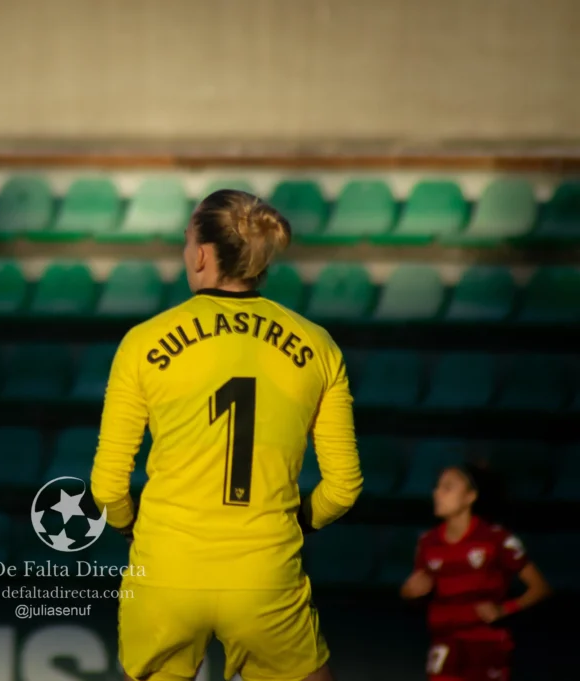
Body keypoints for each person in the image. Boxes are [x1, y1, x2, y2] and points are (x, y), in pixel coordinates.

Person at [90, 189, 363, 681]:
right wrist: (297, 522)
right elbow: (343, 489)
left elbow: (107, 488)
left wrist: (132, 527)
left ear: (200, 254)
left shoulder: (143, 342)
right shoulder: (317, 345)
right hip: (264, 573)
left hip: (166, 572)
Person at [401, 463, 552, 681]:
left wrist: (503, 609)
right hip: (445, 643)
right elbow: (414, 590)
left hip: (487, 645)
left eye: (448, 487)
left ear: (470, 496)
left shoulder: (496, 539)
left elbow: (541, 588)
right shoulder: (428, 542)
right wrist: (409, 592)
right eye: (437, 486)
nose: (437, 493)